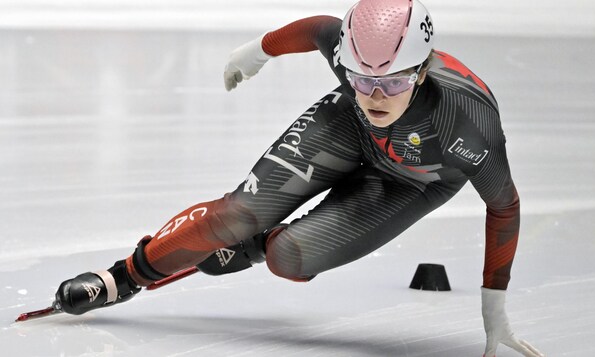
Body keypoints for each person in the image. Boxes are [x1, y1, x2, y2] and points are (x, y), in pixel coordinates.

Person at [53, 0, 543, 356]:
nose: (375, 95)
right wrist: (258, 51)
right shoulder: (356, 75)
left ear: (421, 72)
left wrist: (493, 307)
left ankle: (252, 246)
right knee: (237, 214)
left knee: (287, 259)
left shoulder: (465, 124)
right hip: (347, 128)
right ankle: (123, 276)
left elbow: (505, 206)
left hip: (415, 178)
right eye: (360, 78)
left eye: (392, 82)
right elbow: (320, 28)